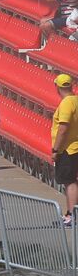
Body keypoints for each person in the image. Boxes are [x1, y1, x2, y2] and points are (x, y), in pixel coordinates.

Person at [53, 74, 78, 227]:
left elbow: (63, 128)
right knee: (70, 181)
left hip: (68, 148)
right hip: (74, 145)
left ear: (58, 87)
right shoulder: (75, 100)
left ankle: (71, 214)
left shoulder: (67, 103)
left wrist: (55, 149)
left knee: (69, 182)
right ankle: (70, 213)